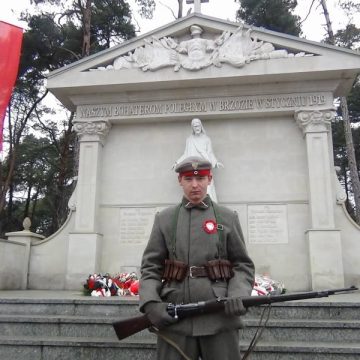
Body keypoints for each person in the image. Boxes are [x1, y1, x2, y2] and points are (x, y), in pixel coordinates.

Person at [139, 156, 255, 360]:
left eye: (200, 178)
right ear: (179, 181)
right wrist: (150, 304)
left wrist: (238, 293)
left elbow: (242, 264)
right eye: (188, 179)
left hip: (219, 315)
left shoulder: (227, 217)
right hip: (175, 318)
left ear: (209, 179)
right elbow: (151, 267)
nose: (195, 185)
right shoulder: (164, 219)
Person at [173, 118, 223, 202]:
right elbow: (186, 153)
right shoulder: (190, 140)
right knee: (193, 187)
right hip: (192, 168)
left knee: (207, 188)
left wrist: (216, 162)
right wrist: (177, 162)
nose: (197, 128)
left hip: (204, 168)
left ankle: (210, 206)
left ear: (201, 126)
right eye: (195, 126)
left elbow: (210, 153)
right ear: (192, 127)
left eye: (198, 126)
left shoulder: (207, 139)